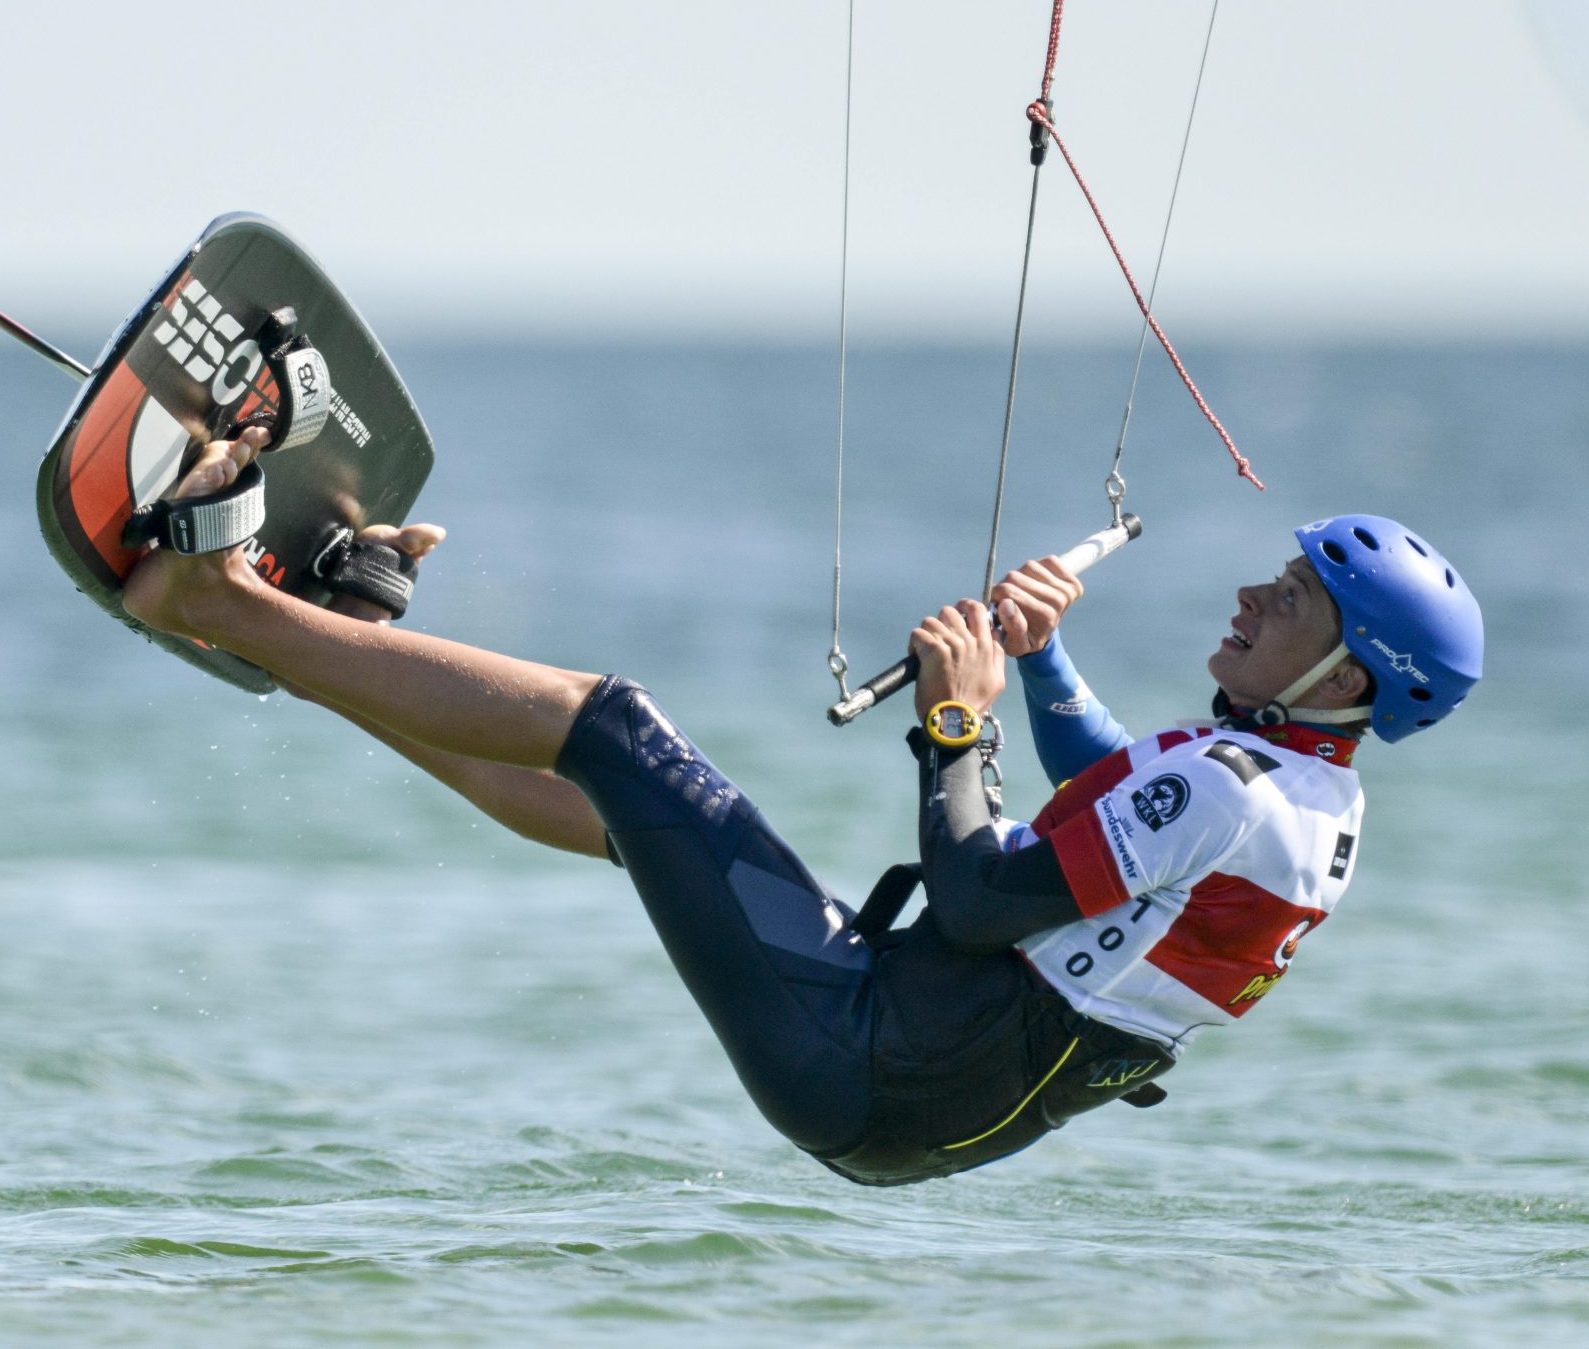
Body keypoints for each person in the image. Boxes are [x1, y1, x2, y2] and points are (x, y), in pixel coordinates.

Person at [123, 428, 1485, 1186]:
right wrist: (1045, 660)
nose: (1254, 598)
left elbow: (974, 893)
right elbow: (1111, 805)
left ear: (1351, 671)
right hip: (904, 1090)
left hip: (877, 1047)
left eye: (1291, 598)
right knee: (635, 815)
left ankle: (222, 595)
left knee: (616, 725)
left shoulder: (1238, 783)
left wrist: (958, 716)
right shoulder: (1305, 804)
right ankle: (318, 643)